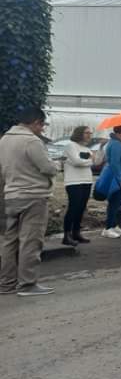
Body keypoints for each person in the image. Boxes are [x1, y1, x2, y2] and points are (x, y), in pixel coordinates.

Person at [0, 106, 60, 296]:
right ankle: (27, 284)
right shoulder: (31, 141)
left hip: (11, 195)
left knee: (10, 240)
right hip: (33, 196)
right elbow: (47, 167)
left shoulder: (4, 139)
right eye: (41, 126)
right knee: (30, 241)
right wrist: (56, 164)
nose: (42, 130)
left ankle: (6, 283)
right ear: (35, 122)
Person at [63, 125, 95, 246]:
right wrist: (90, 160)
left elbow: (95, 161)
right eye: (86, 133)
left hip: (86, 180)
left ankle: (76, 232)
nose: (89, 135)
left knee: (81, 208)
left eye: (90, 133)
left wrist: (90, 160)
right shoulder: (70, 146)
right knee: (73, 207)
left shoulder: (87, 149)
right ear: (79, 133)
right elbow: (77, 162)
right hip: (73, 181)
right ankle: (66, 235)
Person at [100, 125, 121, 238]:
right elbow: (115, 163)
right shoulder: (116, 144)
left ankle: (114, 225)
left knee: (118, 202)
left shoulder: (119, 143)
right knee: (114, 202)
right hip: (115, 177)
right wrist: (120, 180)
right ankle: (108, 228)